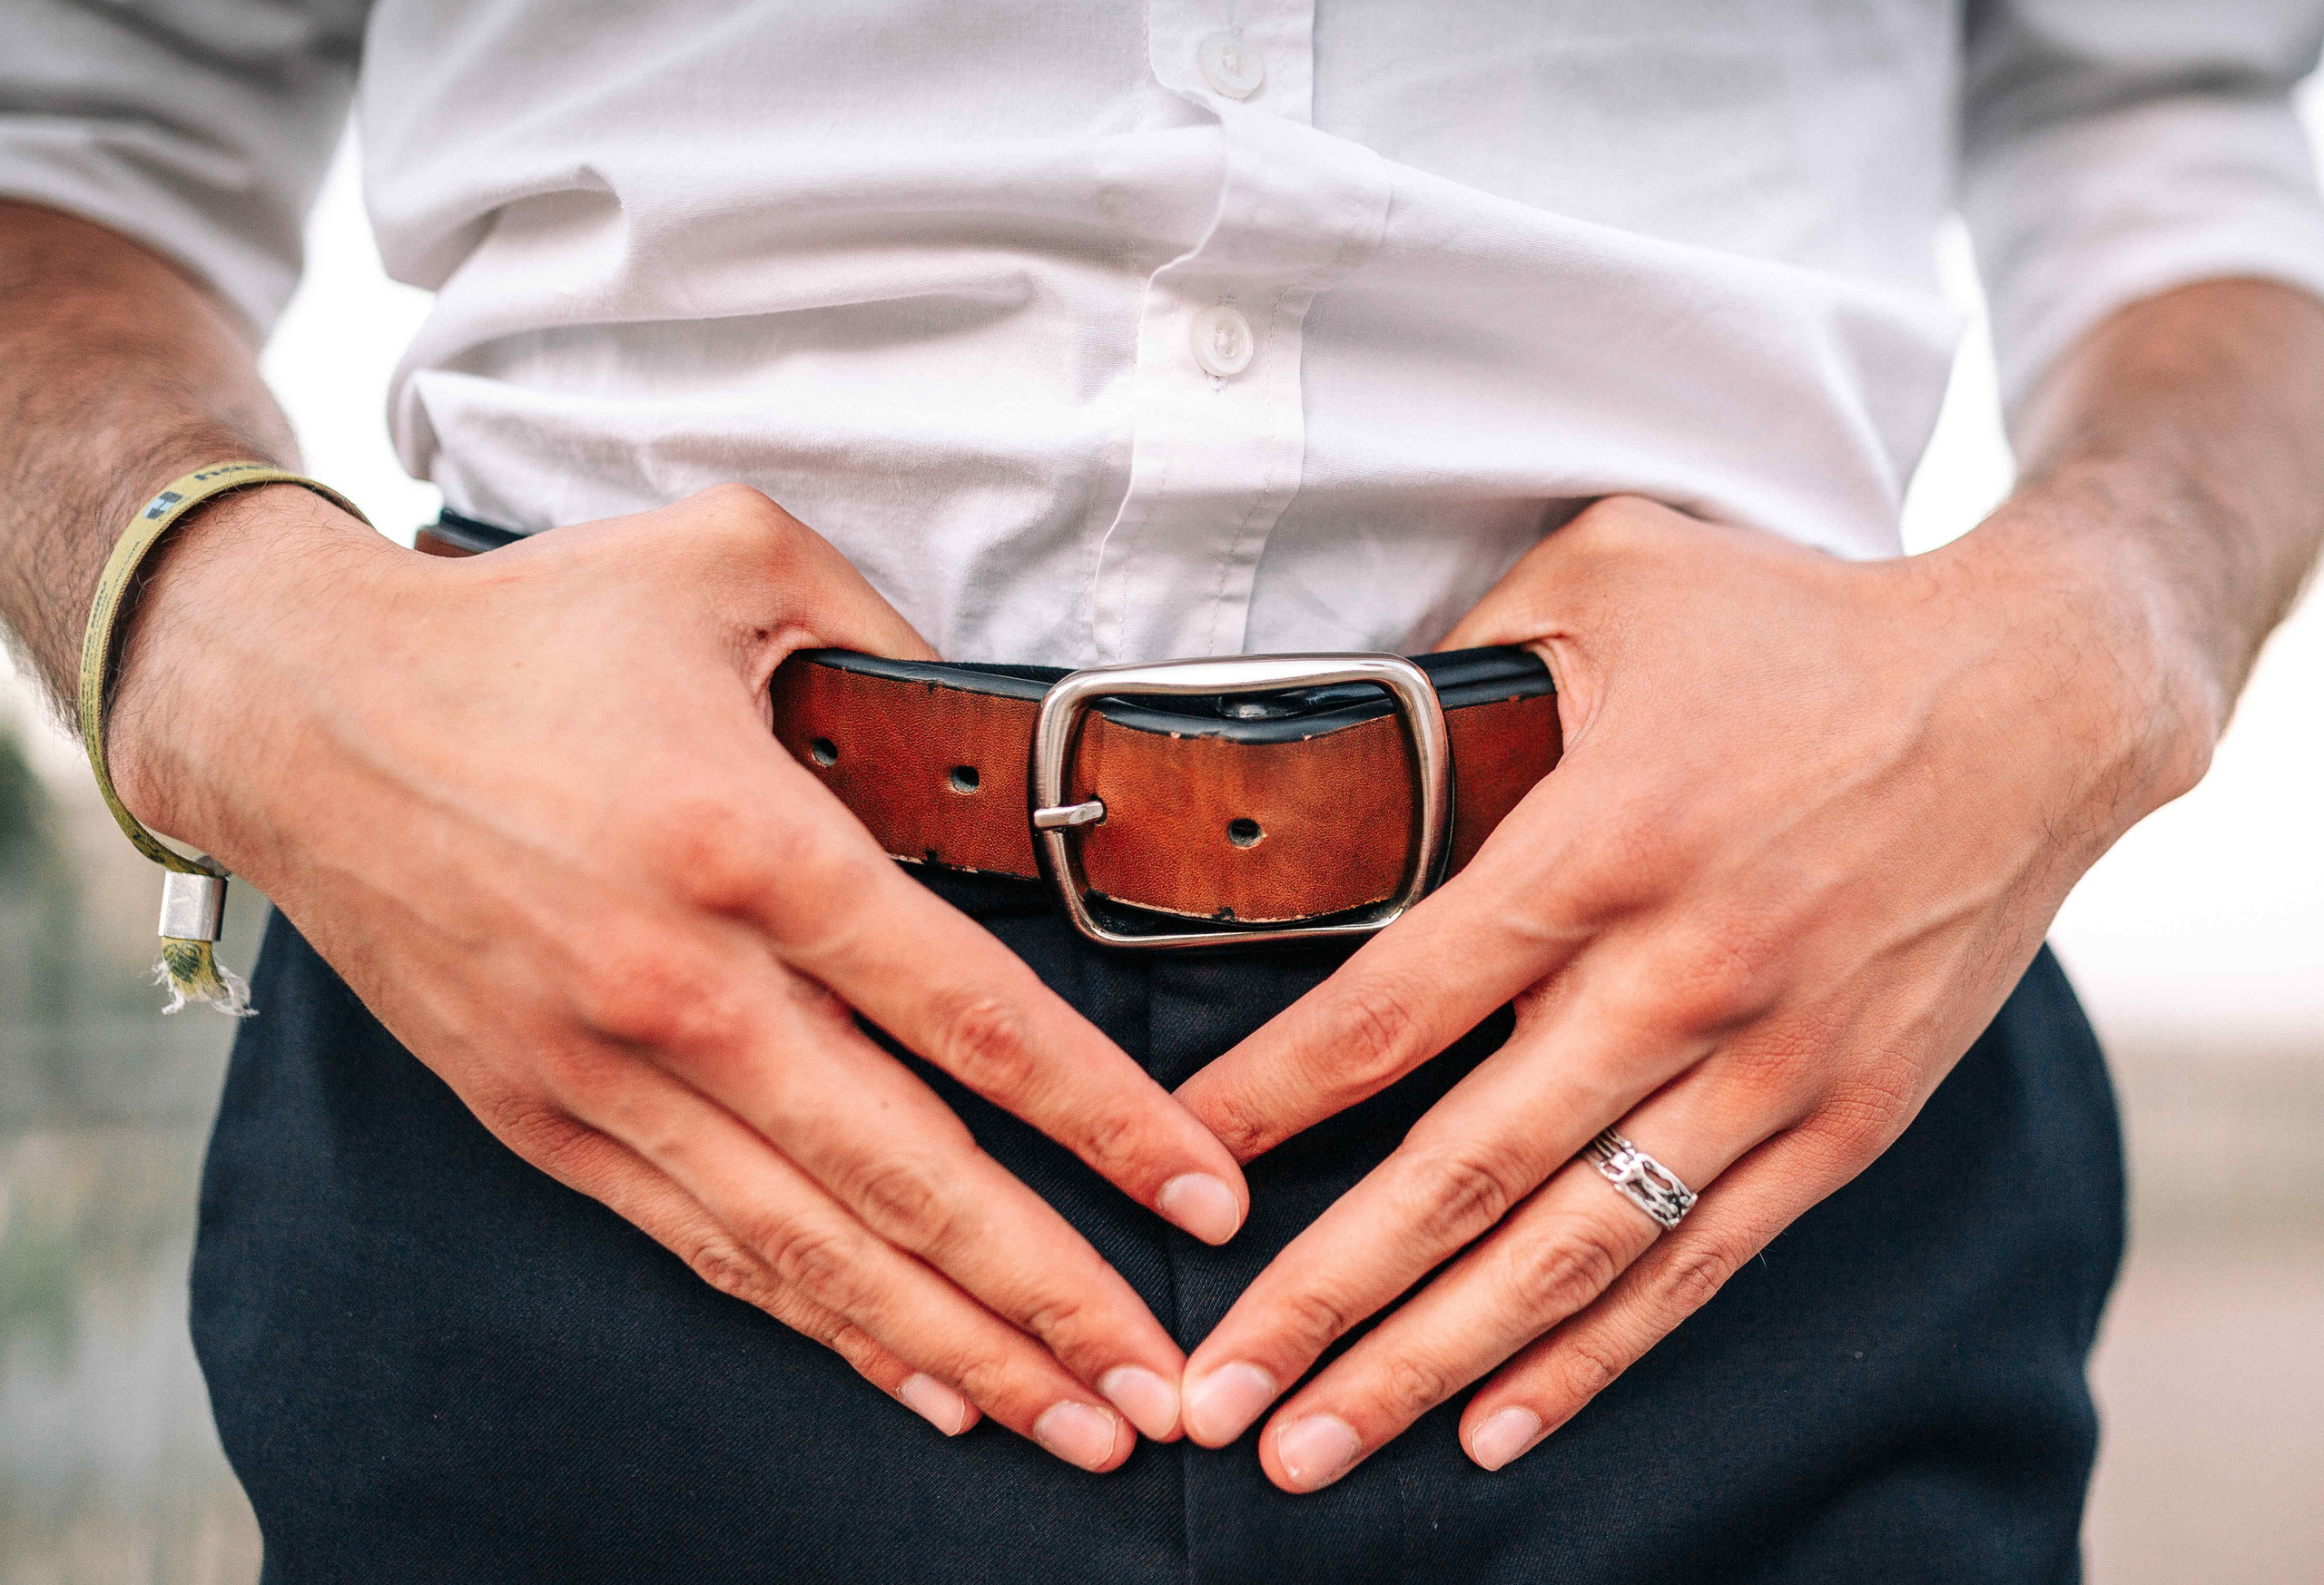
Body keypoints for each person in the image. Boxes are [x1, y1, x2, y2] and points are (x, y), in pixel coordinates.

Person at [5, 2, 2322, 1580]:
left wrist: (2105, 637)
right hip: (596, 1031)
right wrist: (219, 646)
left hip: (1742, 1034)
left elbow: (2183, 144)